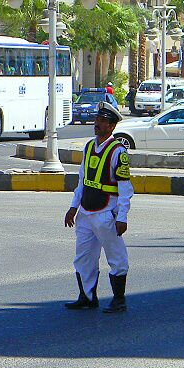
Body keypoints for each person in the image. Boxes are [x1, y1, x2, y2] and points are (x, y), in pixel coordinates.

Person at [64, 102, 134, 312]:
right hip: (86, 212)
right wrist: (73, 207)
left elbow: (125, 188)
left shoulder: (118, 152)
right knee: (83, 256)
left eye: (103, 121)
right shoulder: (88, 147)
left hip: (106, 213)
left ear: (112, 126)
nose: (98, 124)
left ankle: (119, 300)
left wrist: (122, 217)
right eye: (97, 119)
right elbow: (82, 181)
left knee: (116, 256)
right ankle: (87, 297)